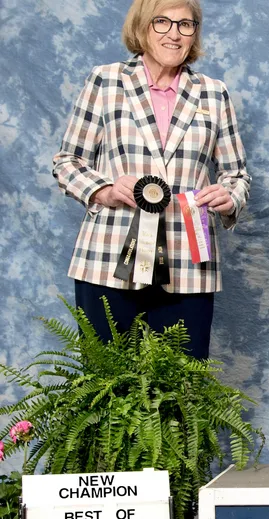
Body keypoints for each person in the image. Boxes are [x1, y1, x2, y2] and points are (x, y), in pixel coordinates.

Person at [53, 0, 250, 360]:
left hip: (189, 264)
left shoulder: (213, 92)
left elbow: (236, 175)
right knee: (107, 383)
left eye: (185, 25)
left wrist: (230, 197)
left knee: (183, 385)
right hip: (109, 258)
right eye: (162, 22)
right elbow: (68, 162)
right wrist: (104, 190)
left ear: (194, 34)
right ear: (142, 26)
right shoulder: (106, 81)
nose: (174, 34)